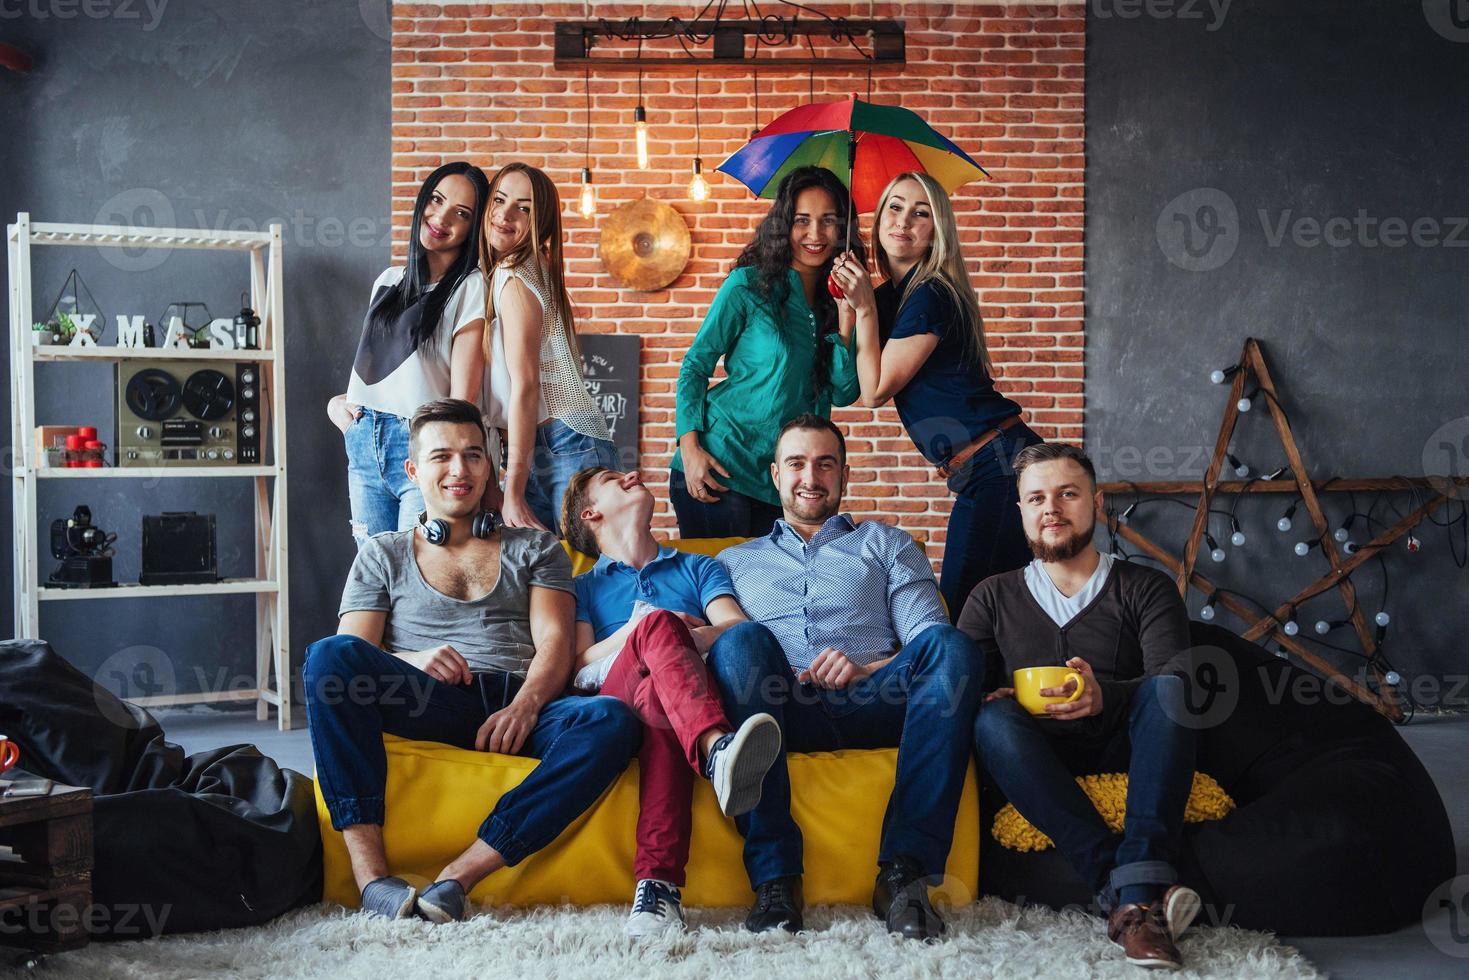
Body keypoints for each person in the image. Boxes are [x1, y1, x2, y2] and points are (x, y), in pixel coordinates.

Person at [304, 398, 640, 924]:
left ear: (491, 466)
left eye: (472, 455)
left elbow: (554, 643)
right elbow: (352, 653)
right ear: (414, 470)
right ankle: (373, 882)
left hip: (516, 698)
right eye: (441, 457)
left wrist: (526, 707)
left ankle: (458, 878)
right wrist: (411, 659)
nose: (459, 470)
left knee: (611, 719)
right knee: (327, 658)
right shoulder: (382, 553)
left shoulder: (538, 548)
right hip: (429, 699)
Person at [707, 414, 984, 940]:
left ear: (844, 476)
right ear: (774, 475)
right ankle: (775, 879)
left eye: (825, 464)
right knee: (739, 640)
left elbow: (928, 638)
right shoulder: (733, 562)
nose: (810, 476)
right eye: (796, 463)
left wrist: (867, 668)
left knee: (954, 648)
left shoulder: (886, 543)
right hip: (777, 708)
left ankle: (904, 876)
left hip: (874, 700)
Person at [958, 443, 1201, 971]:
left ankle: (1128, 897)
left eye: (1068, 493)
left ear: (1097, 500)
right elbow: (959, 686)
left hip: (1128, 749)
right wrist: (987, 694)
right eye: (1037, 497)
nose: (1052, 508)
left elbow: (1175, 676)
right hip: (1034, 766)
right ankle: (1134, 893)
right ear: (1020, 510)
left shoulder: (1147, 586)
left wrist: (1103, 695)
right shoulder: (991, 596)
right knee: (988, 717)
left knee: (1171, 692)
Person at [560, 466, 781, 936]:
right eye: (612, 477)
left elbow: (737, 629)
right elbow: (578, 665)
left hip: (674, 701)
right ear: (590, 512)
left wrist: (683, 635)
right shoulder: (582, 588)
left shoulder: (699, 566)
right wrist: (647, 629)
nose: (633, 474)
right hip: (614, 706)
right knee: (658, 626)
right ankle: (718, 750)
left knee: (660, 692)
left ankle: (657, 891)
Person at [830, 171, 1043, 617]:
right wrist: (848, 307)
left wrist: (865, 306)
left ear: (936, 231)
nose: (903, 221)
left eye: (920, 213)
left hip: (1001, 465)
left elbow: (874, 391)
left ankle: (969, 686)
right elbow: (846, 386)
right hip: (982, 468)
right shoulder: (891, 296)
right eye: (894, 207)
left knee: (964, 610)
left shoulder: (933, 294)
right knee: (989, 609)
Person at [672, 166, 862, 539]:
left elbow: (845, 392)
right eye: (802, 220)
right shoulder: (747, 286)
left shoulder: (840, 303)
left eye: (828, 221)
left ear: (843, 230)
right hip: (720, 465)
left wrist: (847, 317)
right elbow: (696, 364)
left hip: (784, 481)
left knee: (770, 596)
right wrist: (690, 448)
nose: (815, 234)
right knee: (716, 592)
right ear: (783, 225)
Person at [328, 162, 494, 545]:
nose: (441, 217)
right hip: (364, 441)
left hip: (422, 445)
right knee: (373, 569)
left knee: (416, 571)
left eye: (462, 213)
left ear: (472, 229)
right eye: (436, 200)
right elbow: (373, 371)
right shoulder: (388, 281)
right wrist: (339, 408)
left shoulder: (470, 287)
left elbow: (462, 398)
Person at [479, 162, 617, 534]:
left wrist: (513, 487)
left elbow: (525, 384)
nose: (505, 215)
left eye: (523, 208)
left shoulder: (513, 272)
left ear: (540, 223)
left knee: (587, 572)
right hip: (560, 441)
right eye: (499, 200)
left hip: (562, 443)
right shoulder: (533, 266)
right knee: (564, 575)